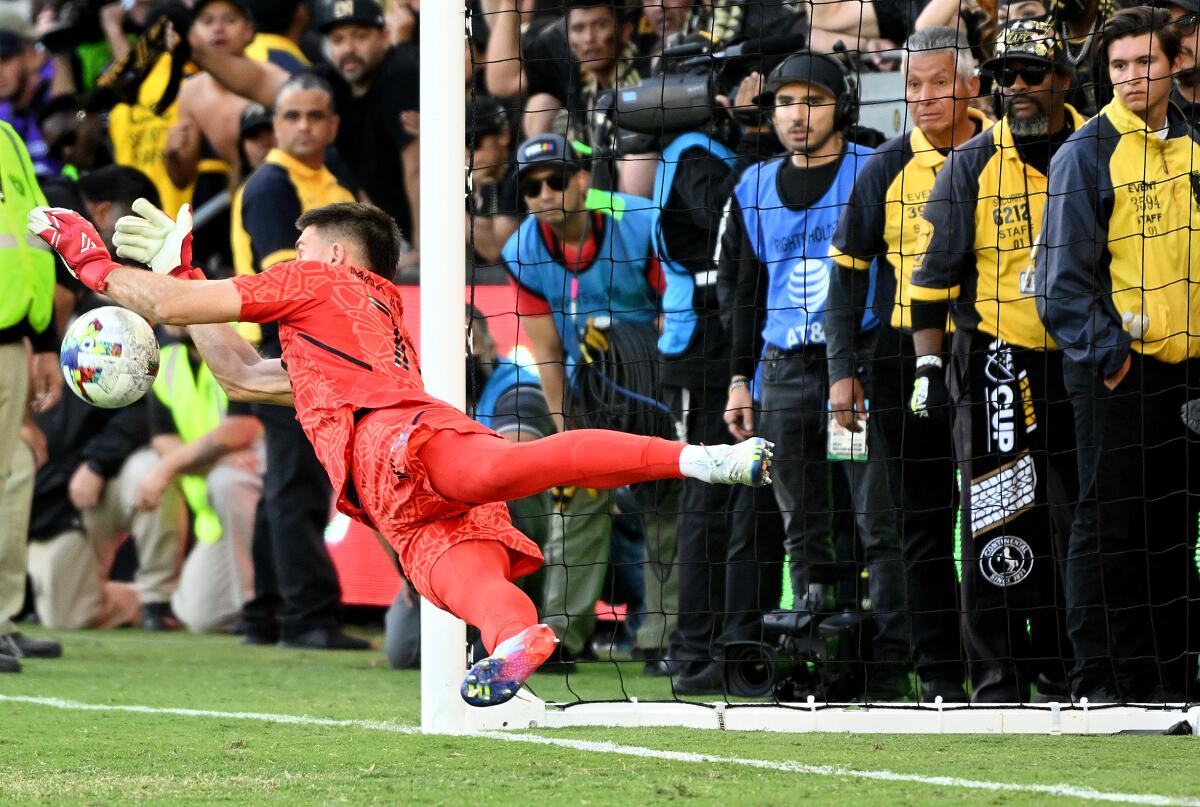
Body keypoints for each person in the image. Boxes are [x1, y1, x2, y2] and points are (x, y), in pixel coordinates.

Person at [28, 198, 773, 706]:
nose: (287, 259)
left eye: (297, 246)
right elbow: (240, 373)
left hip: (401, 442)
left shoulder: (319, 280)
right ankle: (518, 639)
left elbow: (163, 311)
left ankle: (694, 457)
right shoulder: (346, 325)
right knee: (473, 591)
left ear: (333, 252)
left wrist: (87, 259)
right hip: (393, 499)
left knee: (505, 467)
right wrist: (184, 266)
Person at [720, 51, 910, 700]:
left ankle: (887, 664)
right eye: (784, 102)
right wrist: (739, 379)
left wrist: (865, 363)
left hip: (854, 370)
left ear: (841, 107)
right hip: (782, 374)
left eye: (812, 101)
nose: (797, 115)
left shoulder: (872, 167)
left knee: (875, 519)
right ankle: (816, 652)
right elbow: (743, 292)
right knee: (802, 525)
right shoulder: (751, 187)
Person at [908, 18, 1083, 703]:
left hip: (1083, 361)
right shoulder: (972, 163)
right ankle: (999, 678)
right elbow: (930, 283)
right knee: (995, 518)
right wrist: (928, 369)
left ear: (1064, 78)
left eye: (1031, 74)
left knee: (1080, 522)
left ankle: (1074, 671)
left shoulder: (1098, 148)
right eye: (1005, 75)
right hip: (994, 363)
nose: (1017, 87)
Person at [1037, 6, 1200, 702]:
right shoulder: (1087, 151)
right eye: (1120, 66)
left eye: (1145, 63)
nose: (1133, 77)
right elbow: (1059, 285)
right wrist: (1115, 359)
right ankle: (1099, 680)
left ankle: (1166, 676)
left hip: (1188, 373)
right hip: (1115, 374)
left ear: (1173, 64)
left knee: (1173, 524)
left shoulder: (1197, 142)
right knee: (1108, 524)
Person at [826, 27, 987, 704]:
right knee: (923, 522)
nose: (924, 98)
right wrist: (842, 371)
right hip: (900, 362)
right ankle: (942, 674)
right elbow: (844, 283)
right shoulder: (883, 167)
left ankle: (1027, 662)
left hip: (994, 350)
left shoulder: (1008, 156)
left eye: (939, 84)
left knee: (1005, 513)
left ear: (971, 87)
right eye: (913, 84)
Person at [501, 132, 685, 675]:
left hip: (653, 387)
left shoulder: (637, 224)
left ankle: (661, 638)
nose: (542, 193)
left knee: (664, 504)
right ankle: (560, 637)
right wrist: (562, 437)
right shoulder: (521, 251)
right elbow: (549, 354)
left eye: (554, 179)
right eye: (529, 187)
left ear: (582, 181)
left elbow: (671, 308)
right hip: (586, 393)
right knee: (574, 500)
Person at [230, 71, 360, 650]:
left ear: (333, 125)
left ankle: (263, 613)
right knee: (298, 482)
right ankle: (307, 617)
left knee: (286, 482)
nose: (303, 127)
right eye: (291, 117)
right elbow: (295, 282)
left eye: (315, 116)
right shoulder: (270, 188)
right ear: (275, 125)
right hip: (281, 347)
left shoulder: (334, 180)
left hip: (308, 346)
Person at [187, 0, 421, 261]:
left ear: (385, 36)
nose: (349, 48)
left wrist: (424, 248)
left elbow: (419, 169)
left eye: (361, 36)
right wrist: (197, 51)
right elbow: (262, 81)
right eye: (338, 39)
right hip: (401, 238)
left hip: (438, 230)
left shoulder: (401, 72)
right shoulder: (334, 81)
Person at [0, 118, 64, 674]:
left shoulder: (9, 138)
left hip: (10, 337)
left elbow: (34, 235)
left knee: (9, 476)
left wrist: (42, 339)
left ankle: (1, 620)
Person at [147, 329, 263, 634]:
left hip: (260, 494)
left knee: (228, 481)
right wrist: (199, 458)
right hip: (212, 514)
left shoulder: (241, 345)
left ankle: (261, 608)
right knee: (200, 617)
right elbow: (161, 438)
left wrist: (172, 465)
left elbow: (243, 428)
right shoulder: (166, 360)